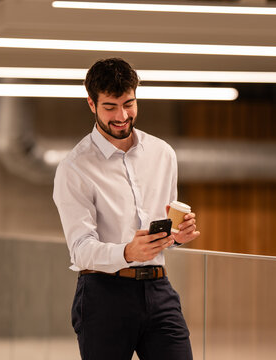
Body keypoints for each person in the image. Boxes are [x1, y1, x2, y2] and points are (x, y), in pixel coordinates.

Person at [53, 57, 200, 360]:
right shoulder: (74, 167)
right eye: (110, 107)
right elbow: (80, 249)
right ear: (91, 104)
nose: (121, 116)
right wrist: (127, 253)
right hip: (103, 295)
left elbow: (163, 232)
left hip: (160, 289)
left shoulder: (162, 154)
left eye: (129, 104)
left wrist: (177, 235)